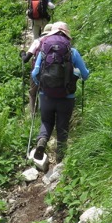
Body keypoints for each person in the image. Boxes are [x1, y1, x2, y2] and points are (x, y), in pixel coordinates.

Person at [31, 22, 90, 164]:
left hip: (46, 96)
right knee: (62, 127)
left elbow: (35, 73)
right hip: (66, 97)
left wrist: (42, 86)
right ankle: (60, 159)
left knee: (46, 121)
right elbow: (85, 75)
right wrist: (78, 74)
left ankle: (42, 140)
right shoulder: (72, 51)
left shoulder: (44, 49)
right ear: (66, 35)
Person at [20, 23, 53, 114]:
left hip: (37, 70)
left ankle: (33, 113)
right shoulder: (58, 42)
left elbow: (26, 59)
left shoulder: (38, 41)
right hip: (53, 70)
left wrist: (22, 54)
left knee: (33, 92)